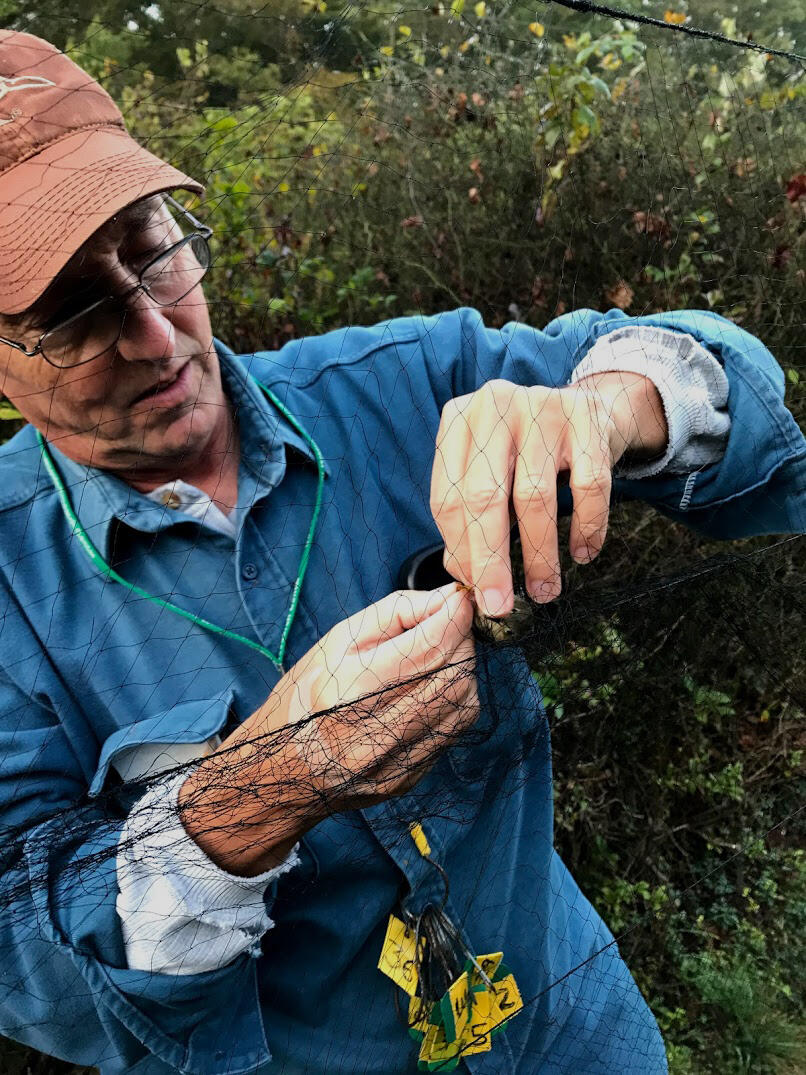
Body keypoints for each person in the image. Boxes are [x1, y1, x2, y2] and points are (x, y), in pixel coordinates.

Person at [0, 29, 802, 1075]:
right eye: (75, 312)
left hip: (578, 1035)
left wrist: (608, 407)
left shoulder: (401, 382)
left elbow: (718, 373)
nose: (156, 331)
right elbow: (25, 956)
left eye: (151, 246)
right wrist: (270, 783)